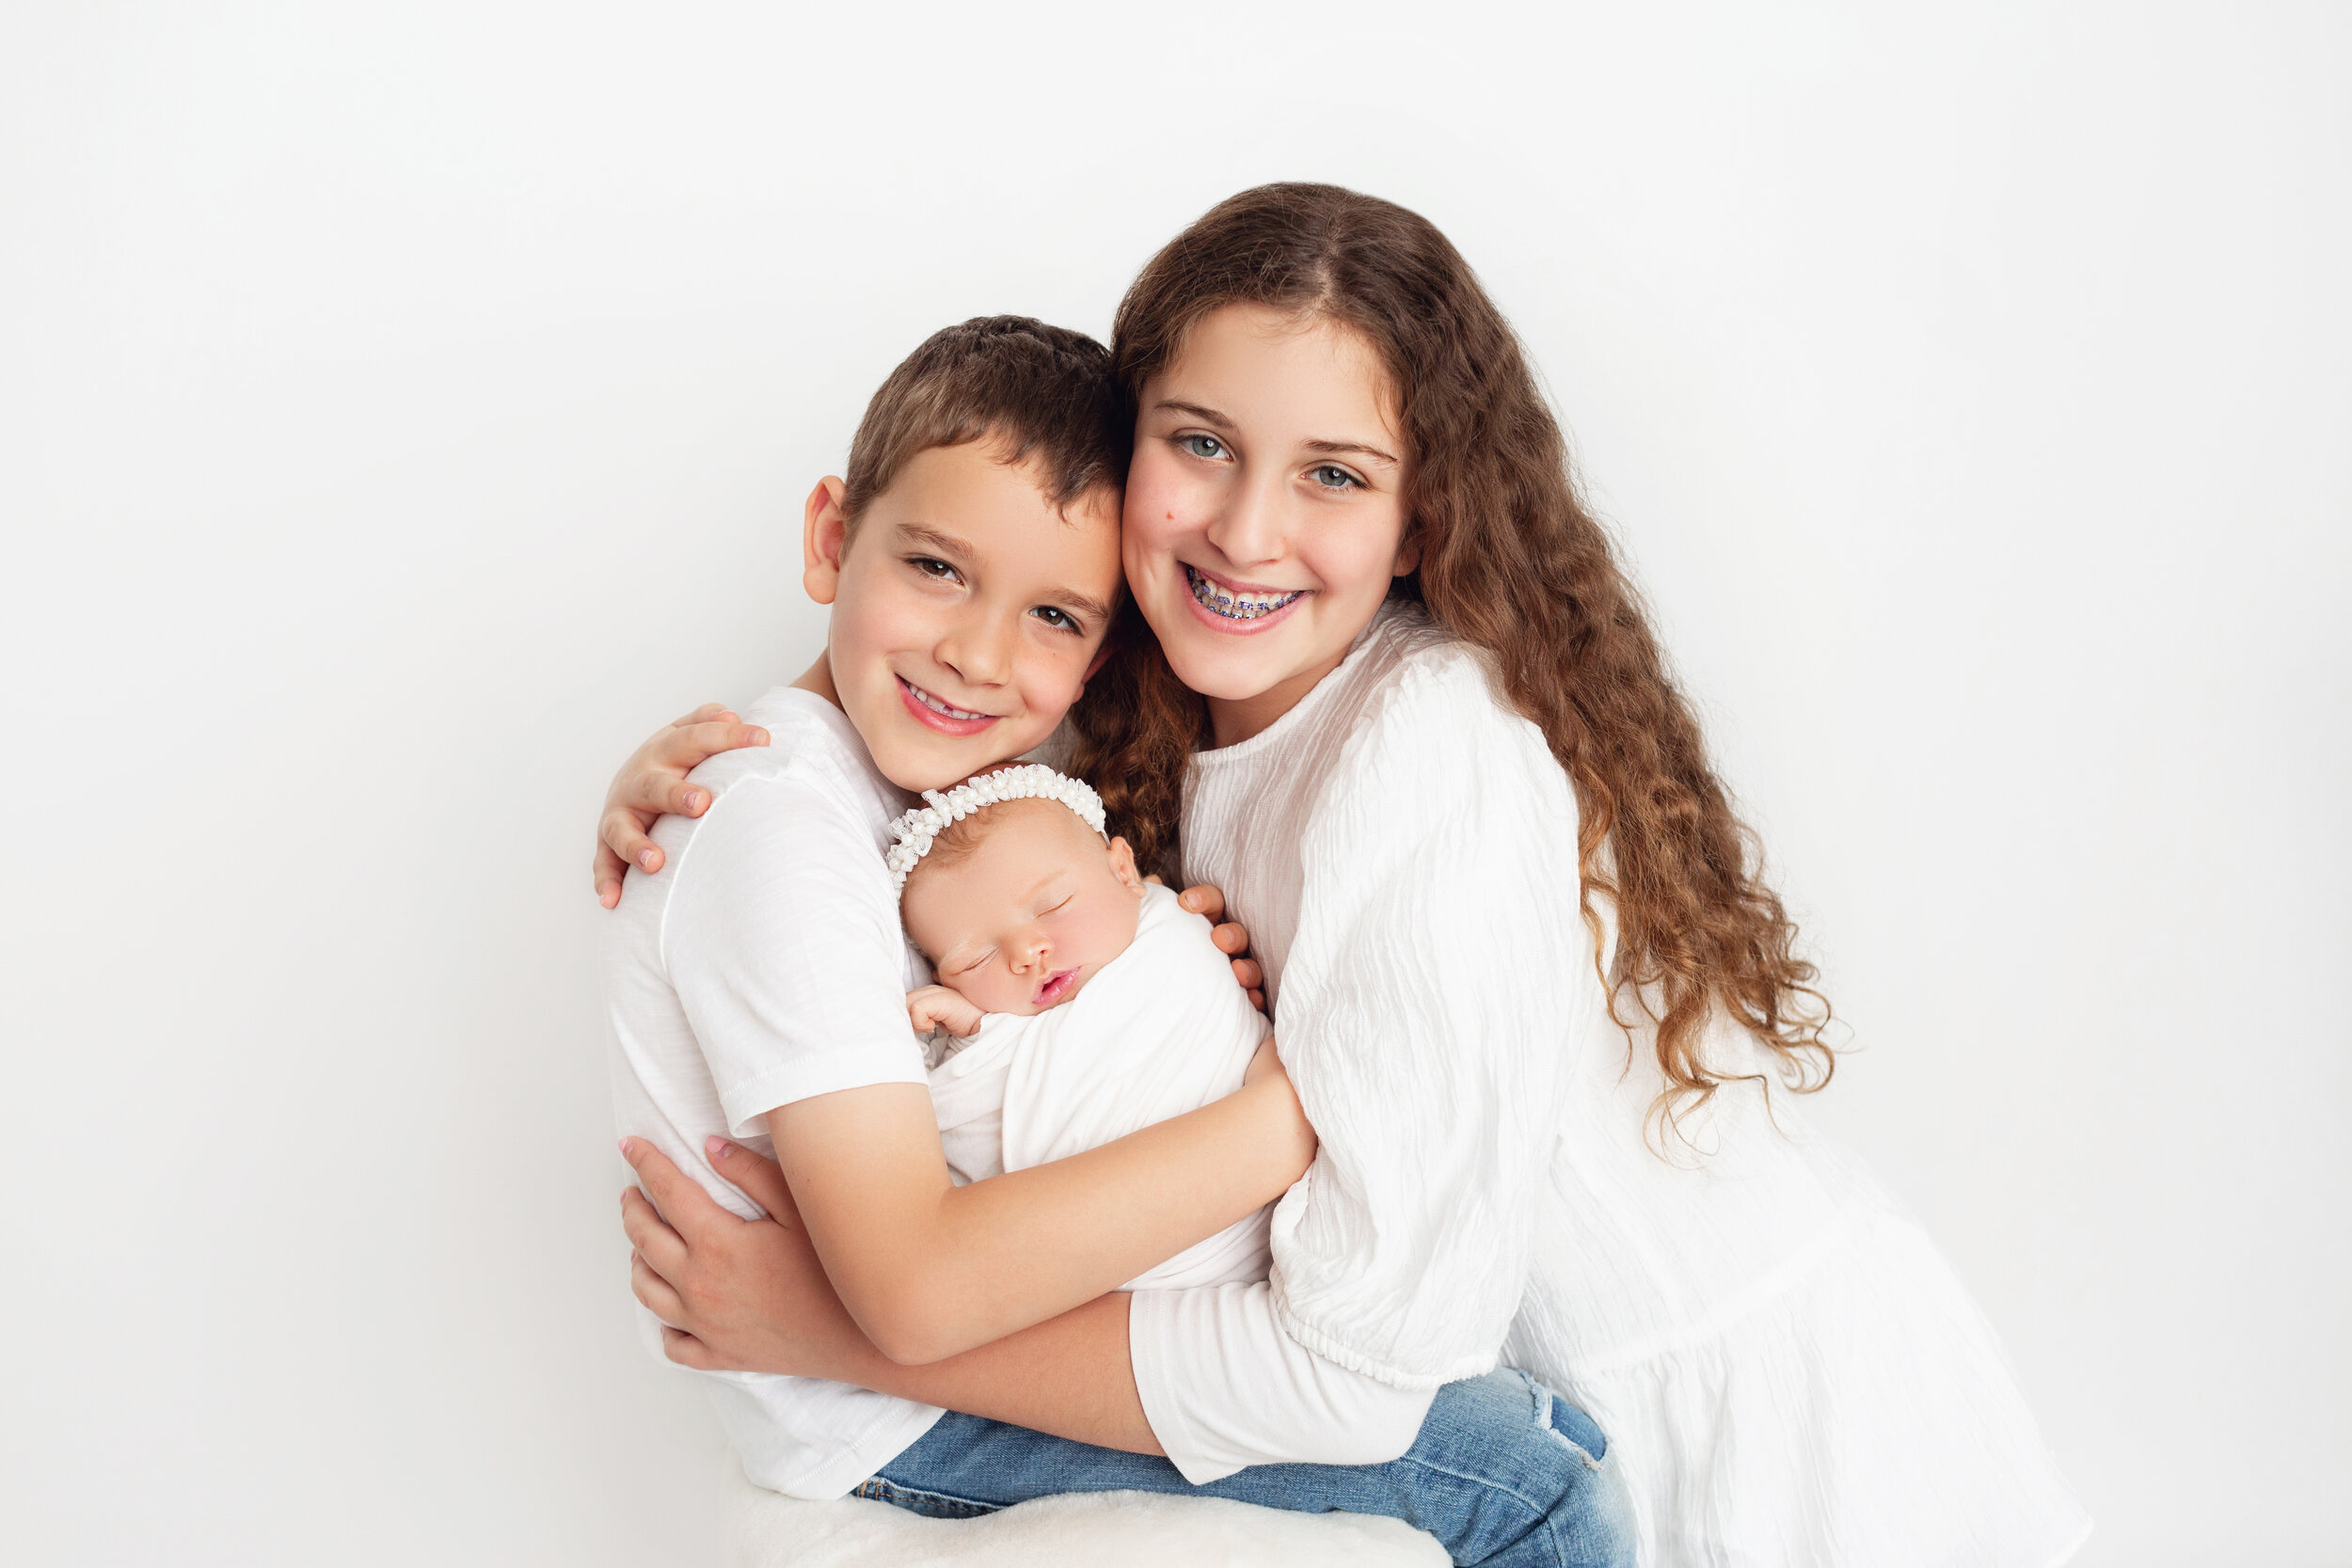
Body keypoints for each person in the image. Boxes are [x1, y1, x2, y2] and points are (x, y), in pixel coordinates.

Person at [608, 184, 2091, 1567]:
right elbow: (891, 821)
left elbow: (1351, 1389)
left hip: (1766, 1439)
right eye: (1198, 444)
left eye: (1333, 472)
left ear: (1419, 519)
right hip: (1568, 1410)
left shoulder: (1424, 756)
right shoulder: (1158, 723)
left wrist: (849, 1334)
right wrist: (706, 786)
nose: (1247, 530)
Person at [604, 311, 1634, 1567]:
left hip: (918, 1364)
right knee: (1529, 1484)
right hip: (887, 1421)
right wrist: (1291, 1117)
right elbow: (915, 1293)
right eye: (936, 568)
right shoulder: (773, 827)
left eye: (1055, 616)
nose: (979, 655)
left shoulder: (913, 786)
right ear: (833, 537)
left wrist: (1151, 970)